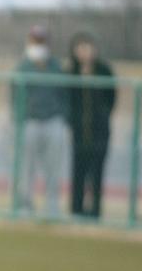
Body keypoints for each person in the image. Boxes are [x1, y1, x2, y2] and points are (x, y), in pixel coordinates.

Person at [11, 25, 70, 220]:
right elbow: (14, 96)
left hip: (53, 120)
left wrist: (62, 116)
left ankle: (52, 207)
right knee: (27, 167)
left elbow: (65, 94)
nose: (39, 45)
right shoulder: (23, 66)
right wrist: (18, 120)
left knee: (53, 167)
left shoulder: (56, 66)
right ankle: (25, 206)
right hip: (30, 121)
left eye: (42, 41)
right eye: (36, 41)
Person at [67, 32, 115, 219]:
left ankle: (95, 212)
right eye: (80, 48)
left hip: (99, 133)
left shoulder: (103, 70)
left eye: (87, 47)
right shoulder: (71, 72)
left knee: (97, 175)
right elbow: (68, 100)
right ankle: (76, 211)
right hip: (79, 133)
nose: (84, 52)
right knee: (78, 173)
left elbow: (111, 99)